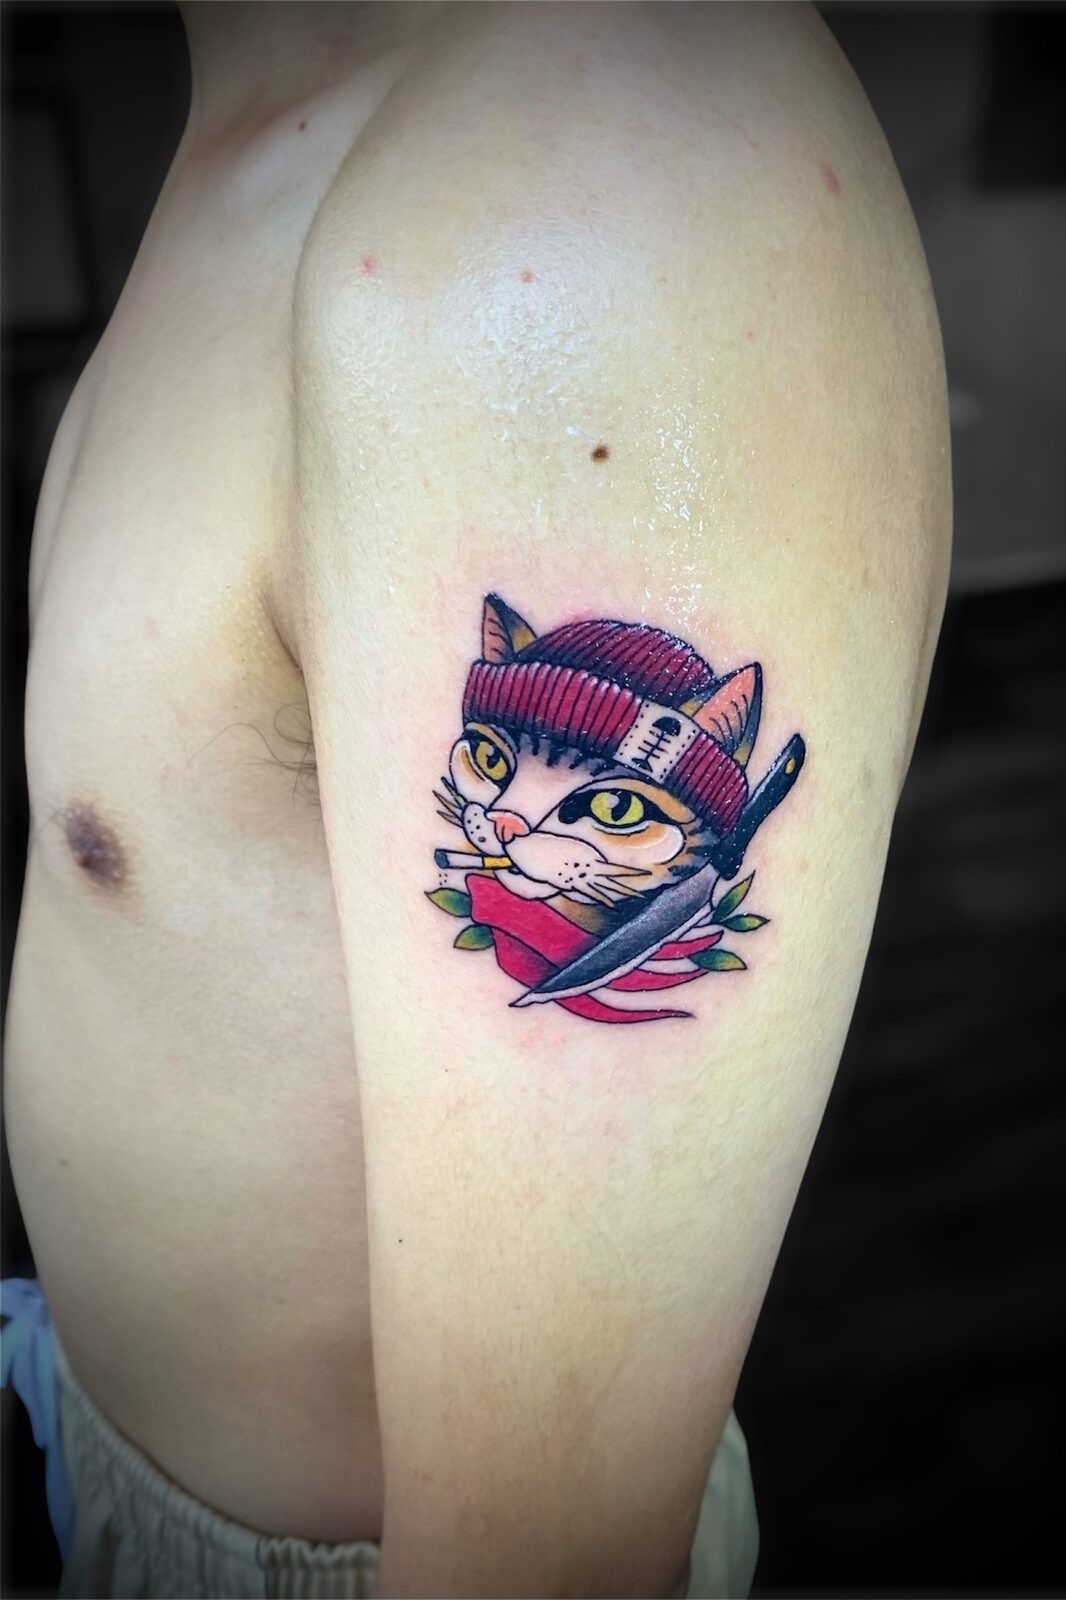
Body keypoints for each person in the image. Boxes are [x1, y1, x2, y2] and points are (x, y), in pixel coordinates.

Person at [1, 4, 951, 1596]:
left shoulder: (588, 214)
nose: (510, 825)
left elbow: (547, 1566)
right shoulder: (269, 117)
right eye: (502, 777)